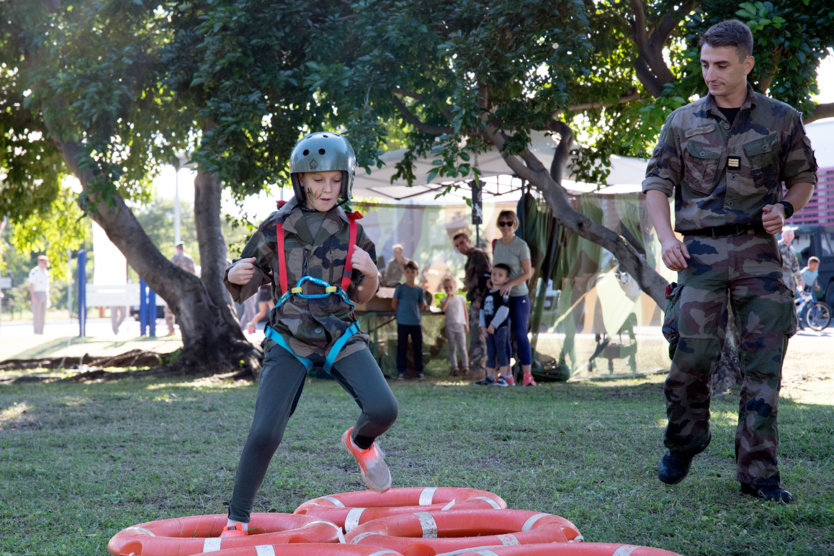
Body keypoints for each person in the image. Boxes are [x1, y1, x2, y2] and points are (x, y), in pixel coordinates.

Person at [643, 20, 816, 503]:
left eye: (721, 65)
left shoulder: (782, 119)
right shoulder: (682, 121)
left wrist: (785, 207)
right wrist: (665, 238)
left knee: (764, 366)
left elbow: (803, 178)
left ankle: (758, 474)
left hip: (759, 255)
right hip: (699, 254)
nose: (711, 74)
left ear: (747, 64)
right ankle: (684, 441)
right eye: (704, 64)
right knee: (690, 358)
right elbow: (656, 185)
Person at [221, 132, 397, 537]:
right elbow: (241, 282)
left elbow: (363, 296)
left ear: (346, 181)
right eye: (318, 181)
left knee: (384, 410)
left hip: (339, 331)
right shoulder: (276, 229)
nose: (326, 189)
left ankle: (360, 442)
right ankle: (237, 519)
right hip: (289, 335)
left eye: (335, 180)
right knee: (265, 431)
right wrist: (231, 273)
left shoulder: (353, 231)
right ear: (301, 180)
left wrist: (370, 271)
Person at [492, 210, 536, 386]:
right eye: (502, 223)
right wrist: (493, 282)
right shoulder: (497, 244)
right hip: (502, 296)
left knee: (520, 334)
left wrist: (511, 284)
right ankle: (507, 374)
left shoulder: (521, 245)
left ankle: (527, 375)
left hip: (519, 296)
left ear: (515, 225)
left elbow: (527, 273)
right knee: (503, 335)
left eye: (509, 223)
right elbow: (497, 269)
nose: (505, 227)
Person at [452, 232, 491, 379]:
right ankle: (479, 368)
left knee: (478, 335)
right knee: (476, 335)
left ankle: (480, 369)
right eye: (457, 246)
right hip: (474, 300)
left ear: (469, 241)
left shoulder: (478, 255)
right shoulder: (470, 259)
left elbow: (486, 277)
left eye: (462, 243)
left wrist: (481, 298)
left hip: (480, 301)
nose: (460, 247)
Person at [477, 263, 513, 387]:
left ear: (506, 279)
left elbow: (504, 310)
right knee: (490, 352)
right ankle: (490, 377)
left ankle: (503, 377)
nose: (496, 277)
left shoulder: (504, 293)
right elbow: (481, 310)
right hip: (487, 329)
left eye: (500, 275)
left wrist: (493, 325)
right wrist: (483, 326)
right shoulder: (487, 293)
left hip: (500, 328)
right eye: (494, 274)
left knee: (501, 351)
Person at [392, 259, 428, 380]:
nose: (410, 274)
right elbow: (394, 303)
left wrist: (414, 314)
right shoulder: (400, 288)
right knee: (402, 347)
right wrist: (402, 314)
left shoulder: (419, 290)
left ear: (416, 273)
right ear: (404, 273)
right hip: (402, 322)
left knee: (417, 347)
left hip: (415, 322)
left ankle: (419, 371)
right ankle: (401, 372)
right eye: (407, 272)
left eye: (412, 272)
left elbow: (421, 305)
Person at [439, 275, 469, 377]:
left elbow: (465, 312)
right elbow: (443, 309)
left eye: (450, 287)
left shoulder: (461, 298)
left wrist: (466, 325)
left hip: (460, 325)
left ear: (454, 287)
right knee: (452, 348)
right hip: (450, 325)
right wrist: (448, 297)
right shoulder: (443, 299)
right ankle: (455, 367)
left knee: (462, 347)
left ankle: (465, 367)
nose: (449, 290)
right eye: (446, 288)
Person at [165, 242, 197, 335]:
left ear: (177, 249)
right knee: (188, 308)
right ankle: (190, 329)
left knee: (169, 309)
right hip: (187, 287)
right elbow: (193, 274)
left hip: (175, 287)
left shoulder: (174, 258)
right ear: (184, 248)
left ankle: (171, 330)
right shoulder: (189, 259)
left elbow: (169, 273)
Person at [28, 255, 50, 334]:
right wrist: (33, 296)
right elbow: (31, 285)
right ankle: (36, 330)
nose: (45, 264)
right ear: (40, 262)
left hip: (44, 293)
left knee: (43, 314)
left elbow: (47, 286)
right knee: (37, 313)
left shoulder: (46, 272)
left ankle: (41, 330)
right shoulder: (35, 272)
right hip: (37, 293)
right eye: (44, 263)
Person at [796, 256, 820, 327]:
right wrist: (800, 283)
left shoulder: (815, 271)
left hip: (809, 290)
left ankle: (814, 321)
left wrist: (816, 286)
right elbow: (798, 276)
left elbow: (815, 279)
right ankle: (798, 322)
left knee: (815, 304)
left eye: (817, 266)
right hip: (802, 290)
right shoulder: (805, 271)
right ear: (809, 265)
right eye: (814, 265)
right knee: (804, 305)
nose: (815, 267)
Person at [778, 228, 800, 294]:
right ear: (782, 235)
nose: (789, 237)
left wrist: (799, 279)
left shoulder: (792, 249)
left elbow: (795, 266)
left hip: (789, 277)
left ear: (793, 236)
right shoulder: (777, 246)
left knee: (791, 297)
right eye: (787, 235)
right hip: (780, 275)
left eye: (791, 235)